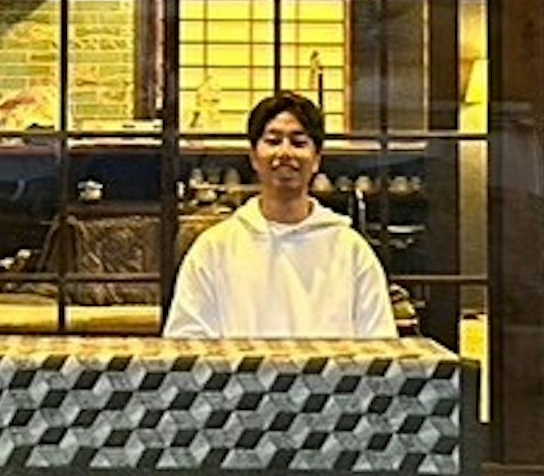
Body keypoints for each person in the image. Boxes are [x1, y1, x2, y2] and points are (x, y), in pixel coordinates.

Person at [163, 90, 396, 340]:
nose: (285, 153)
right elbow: (185, 344)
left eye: (298, 142)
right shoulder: (214, 249)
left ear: (317, 159)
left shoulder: (351, 251)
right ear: (253, 156)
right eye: (273, 141)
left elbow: (380, 346)